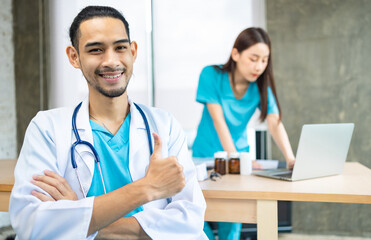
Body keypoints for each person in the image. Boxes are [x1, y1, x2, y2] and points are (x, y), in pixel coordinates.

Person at [9, 6, 207, 240]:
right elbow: (31, 222)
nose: (111, 61)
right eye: (96, 50)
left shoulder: (164, 125)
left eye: (120, 47)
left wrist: (84, 220)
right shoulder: (48, 128)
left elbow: (190, 221)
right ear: (74, 57)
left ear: (133, 51)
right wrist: (148, 188)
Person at [192, 27, 295, 240]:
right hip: (207, 155)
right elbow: (218, 120)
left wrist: (290, 158)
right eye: (253, 58)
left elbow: (274, 122)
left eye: (264, 60)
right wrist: (236, 157)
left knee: (232, 216)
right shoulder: (211, 75)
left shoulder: (261, 87)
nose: (259, 66)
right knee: (196, 214)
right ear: (236, 54)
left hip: (238, 158)